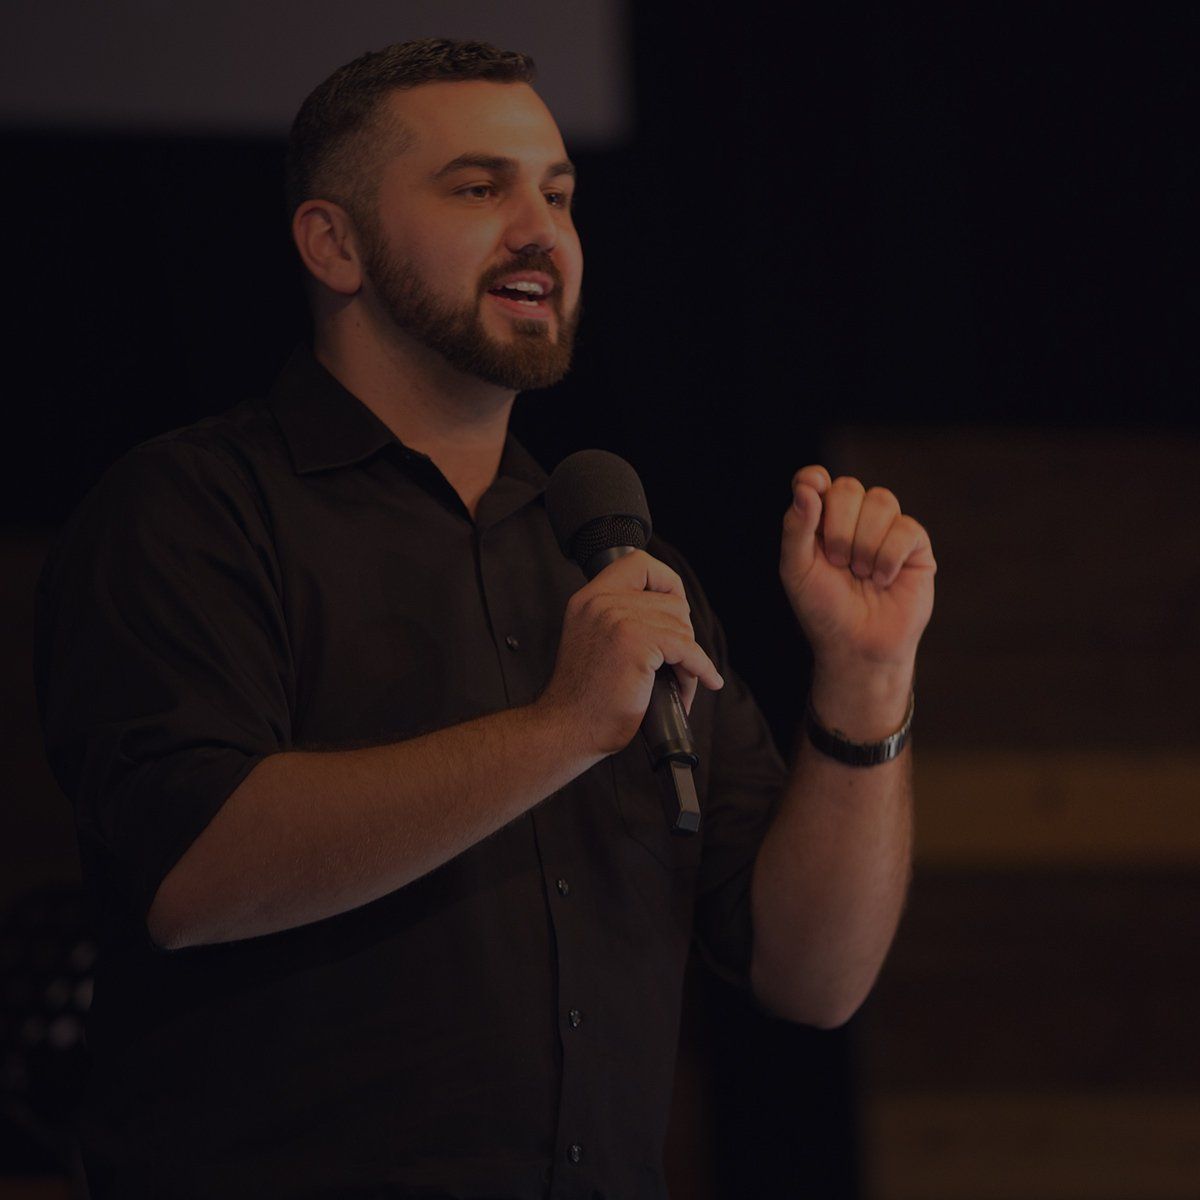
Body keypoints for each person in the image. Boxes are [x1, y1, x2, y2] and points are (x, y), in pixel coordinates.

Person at [34, 38, 935, 1200]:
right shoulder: (192, 511)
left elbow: (811, 976)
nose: (540, 231)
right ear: (333, 244)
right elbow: (192, 875)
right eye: (478, 188)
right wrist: (562, 728)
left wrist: (866, 683)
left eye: (559, 194)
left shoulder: (617, 566)